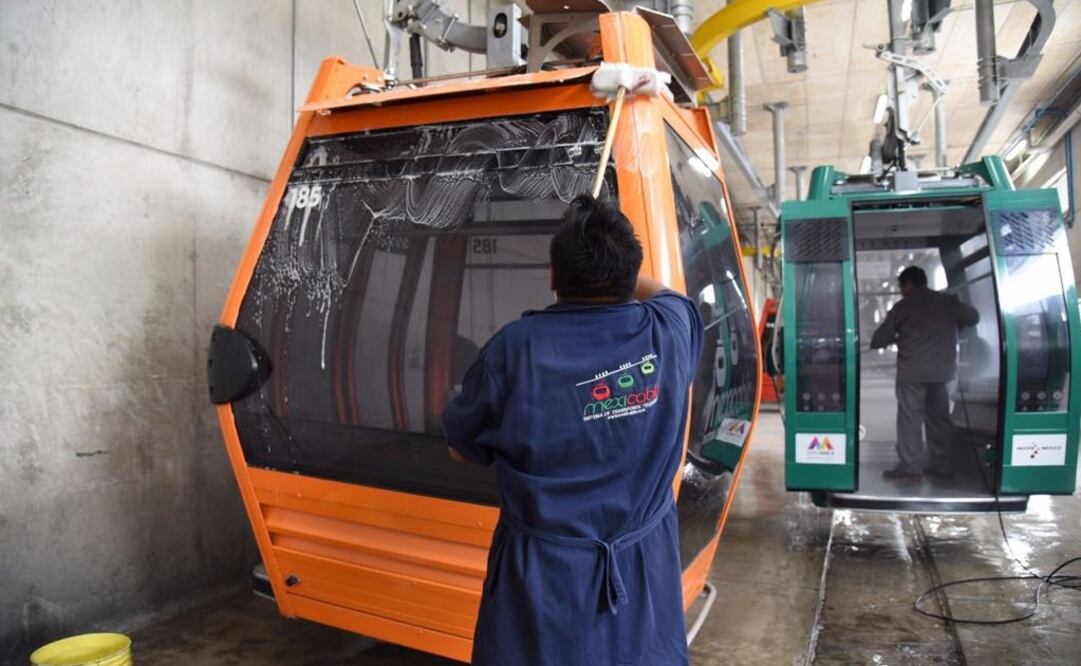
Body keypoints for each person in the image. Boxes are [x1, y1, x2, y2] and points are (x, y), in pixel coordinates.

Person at [441, 195, 703, 666]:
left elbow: (463, 449)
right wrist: (614, 268)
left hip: (544, 583)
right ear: (629, 276)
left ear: (552, 278)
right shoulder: (670, 330)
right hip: (643, 570)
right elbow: (660, 290)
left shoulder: (512, 352)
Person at [870, 266, 979, 481]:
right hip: (941, 373)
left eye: (902, 286)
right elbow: (973, 317)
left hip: (912, 374)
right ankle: (942, 464)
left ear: (908, 284)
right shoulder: (947, 301)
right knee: (939, 418)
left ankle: (910, 468)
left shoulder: (903, 306)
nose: (902, 291)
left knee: (911, 419)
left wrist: (898, 337)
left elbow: (878, 340)